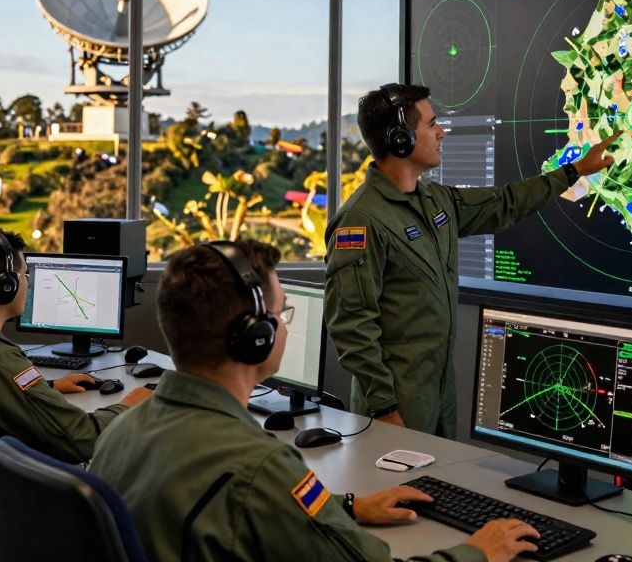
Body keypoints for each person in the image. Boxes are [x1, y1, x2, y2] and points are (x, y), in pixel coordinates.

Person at [91, 239, 541, 562]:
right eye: (281, 313)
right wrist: (478, 552)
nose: (284, 326)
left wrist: (344, 507)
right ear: (256, 337)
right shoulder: (260, 466)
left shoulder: (121, 430)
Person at [325, 84, 617, 437]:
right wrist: (384, 407)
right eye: (432, 124)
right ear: (400, 138)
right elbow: (352, 329)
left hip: (440, 395)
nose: (441, 132)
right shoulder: (361, 220)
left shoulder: (434, 200)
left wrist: (572, 172)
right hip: (396, 406)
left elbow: (503, 203)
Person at [0, 227, 150, 517]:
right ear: (4, 286)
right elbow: (82, 439)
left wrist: (46, 387)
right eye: (24, 276)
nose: (28, 284)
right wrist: (128, 404)